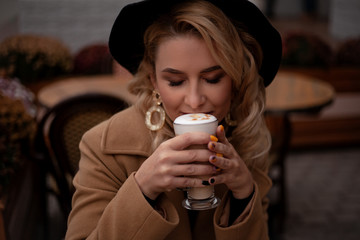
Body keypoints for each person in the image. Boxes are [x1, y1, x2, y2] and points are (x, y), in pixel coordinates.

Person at [65, 0, 282, 239]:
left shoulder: (247, 142)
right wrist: (144, 189)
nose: (194, 100)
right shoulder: (102, 147)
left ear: (235, 78)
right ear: (154, 81)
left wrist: (244, 196)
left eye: (212, 78)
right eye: (176, 82)